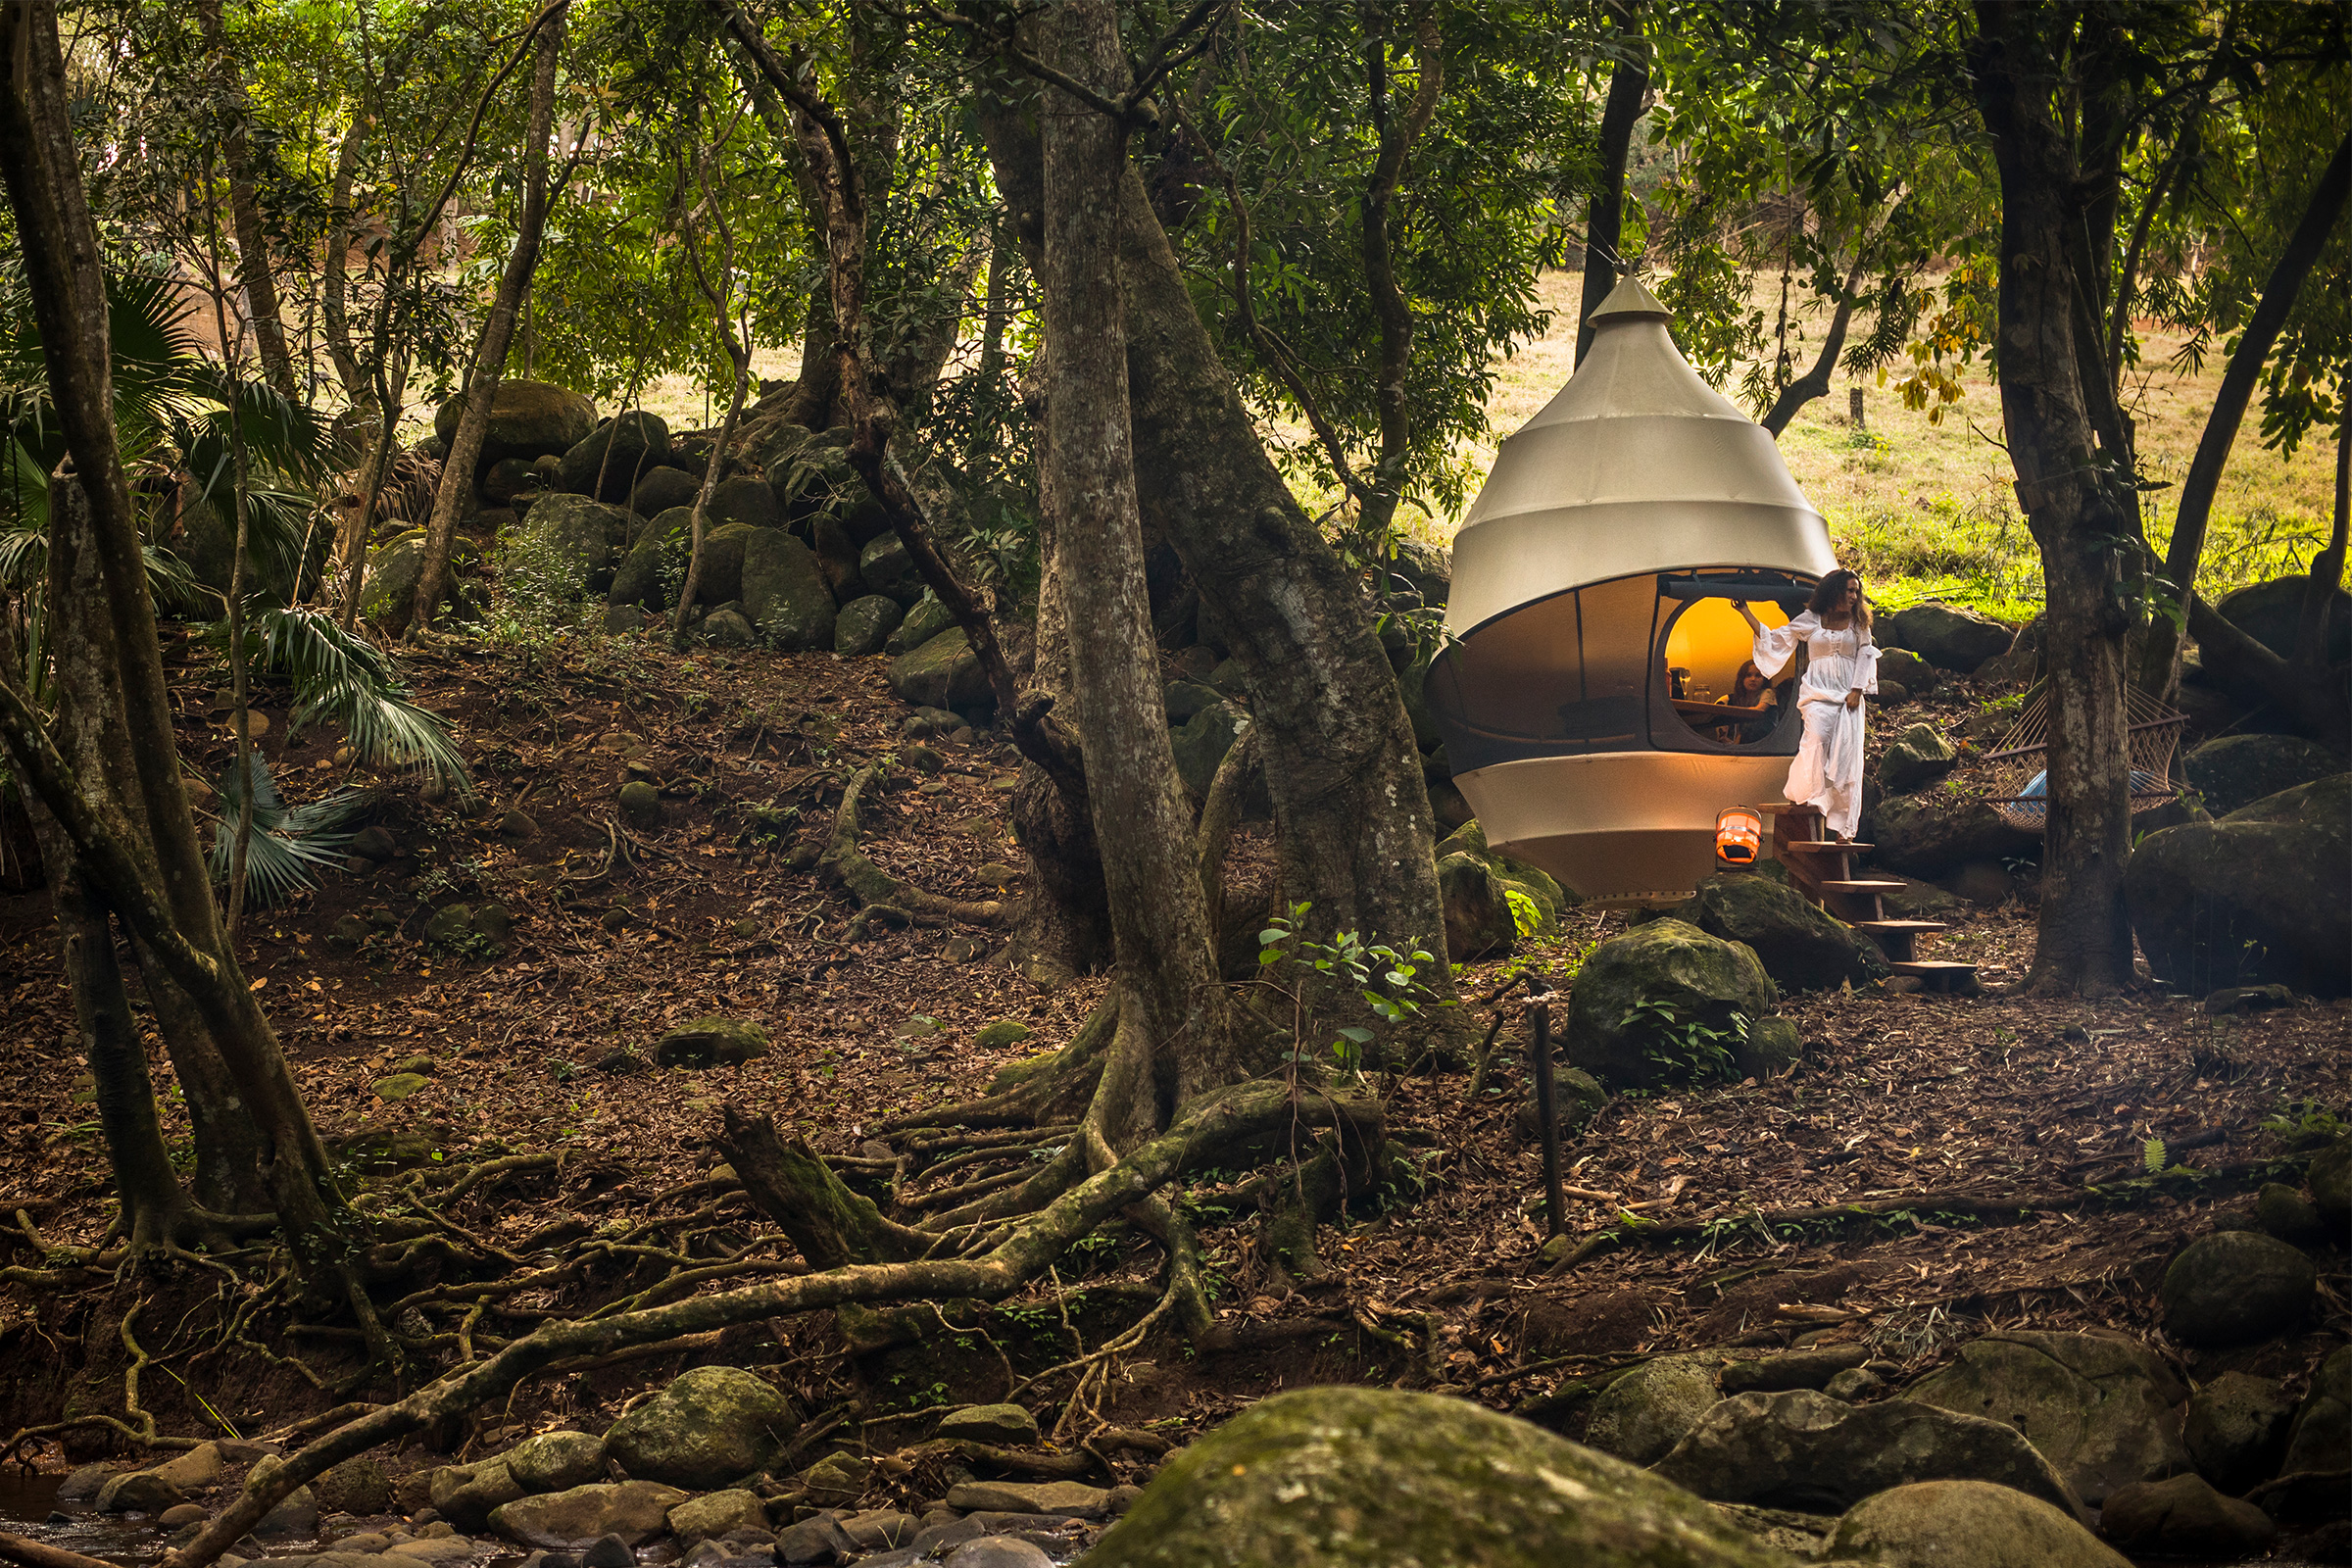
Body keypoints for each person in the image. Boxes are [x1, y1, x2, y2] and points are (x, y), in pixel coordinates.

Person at [1734, 570, 1878, 841]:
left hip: (1849, 696)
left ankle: (1844, 829)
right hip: (1817, 695)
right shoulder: (1812, 620)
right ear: (1834, 591)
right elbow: (1777, 638)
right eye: (1848, 590)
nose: (1853, 596)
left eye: (1856, 591)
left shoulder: (1858, 624)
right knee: (1816, 742)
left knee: (1846, 758)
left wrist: (1858, 690)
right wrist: (1745, 612)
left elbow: (1866, 655)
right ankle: (1809, 799)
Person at [1714, 660, 1778, 745]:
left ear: (1765, 679)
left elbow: (1759, 710)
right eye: (1748, 675)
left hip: (1764, 740)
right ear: (1742, 679)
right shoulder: (1738, 698)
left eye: (1758, 676)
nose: (1753, 679)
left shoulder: (1768, 693)